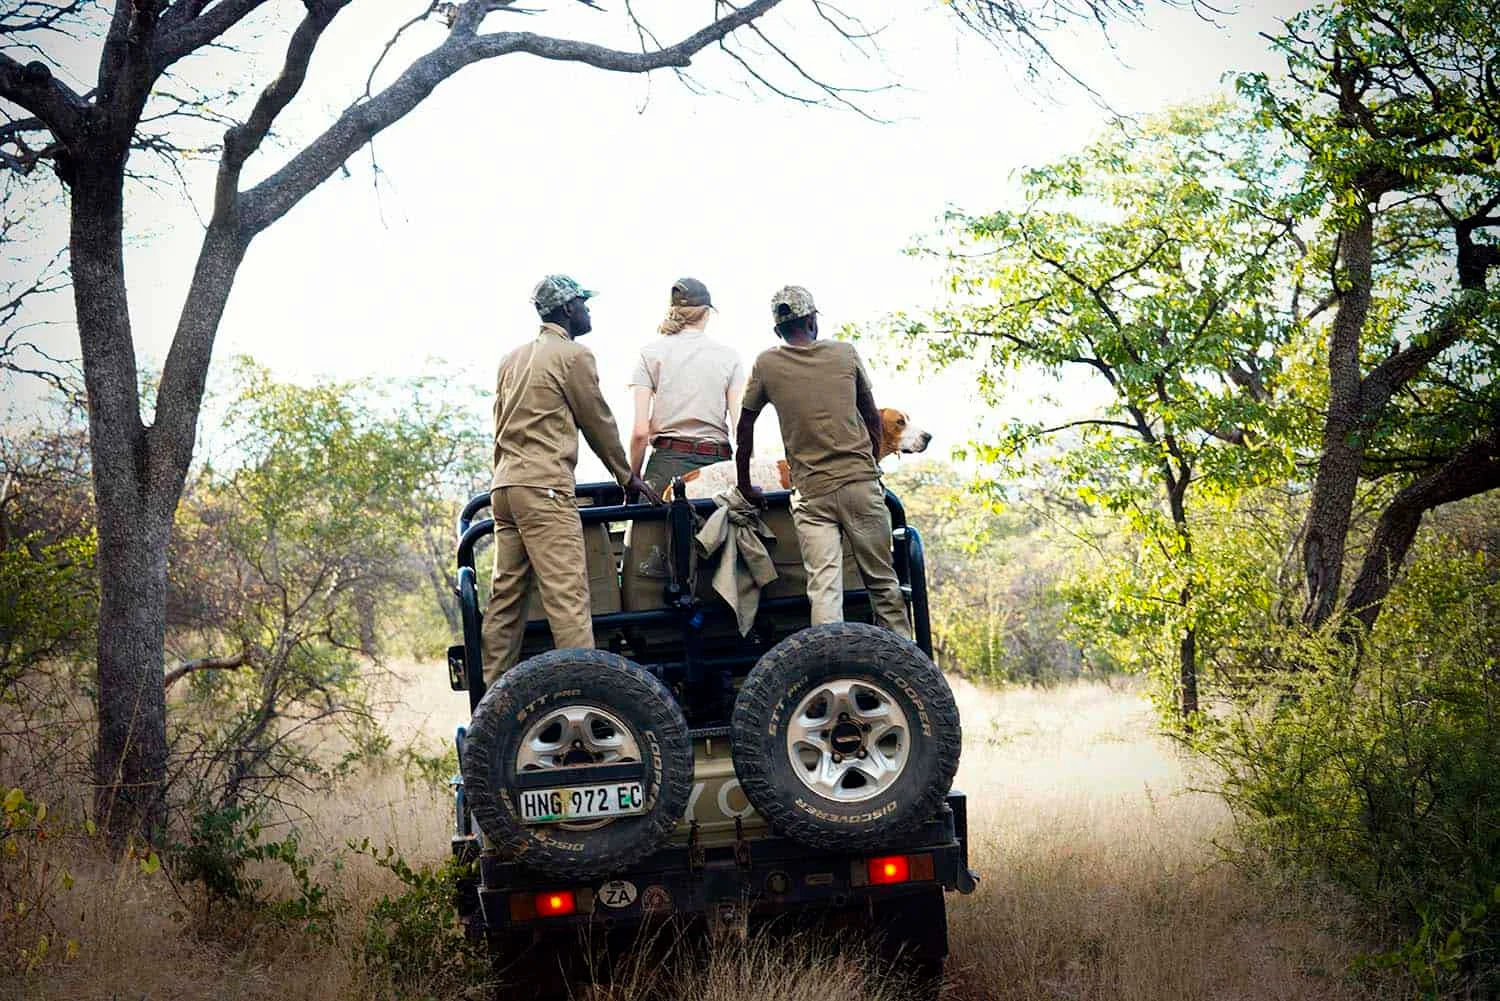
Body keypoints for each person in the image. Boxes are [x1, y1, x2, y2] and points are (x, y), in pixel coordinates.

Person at [482, 274, 661, 682]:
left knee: (505, 601)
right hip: (544, 488)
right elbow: (597, 420)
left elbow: (499, 425)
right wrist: (626, 476)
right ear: (566, 309)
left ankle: (491, 696)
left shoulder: (511, 359)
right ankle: (585, 692)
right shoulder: (573, 356)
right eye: (583, 302)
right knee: (568, 598)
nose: (587, 309)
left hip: (505, 488)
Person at [735, 285, 911, 639]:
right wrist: (870, 465)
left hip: (812, 494)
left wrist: (744, 484)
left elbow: (745, 427)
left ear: (778, 331)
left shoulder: (766, 363)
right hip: (860, 484)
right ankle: (905, 656)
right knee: (883, 582)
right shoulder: (845, 353)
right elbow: (871, 415)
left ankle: (830, 662)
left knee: (824, 589)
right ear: (812, 321)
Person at [627, 277, 745, 494]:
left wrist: (633, 479)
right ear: (707, 313)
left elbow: (640, 432)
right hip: (718, 467)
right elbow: (742, 430)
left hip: (666, 466)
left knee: (649, 516)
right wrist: (745, 479)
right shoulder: (729, 357)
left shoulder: (650, 354)